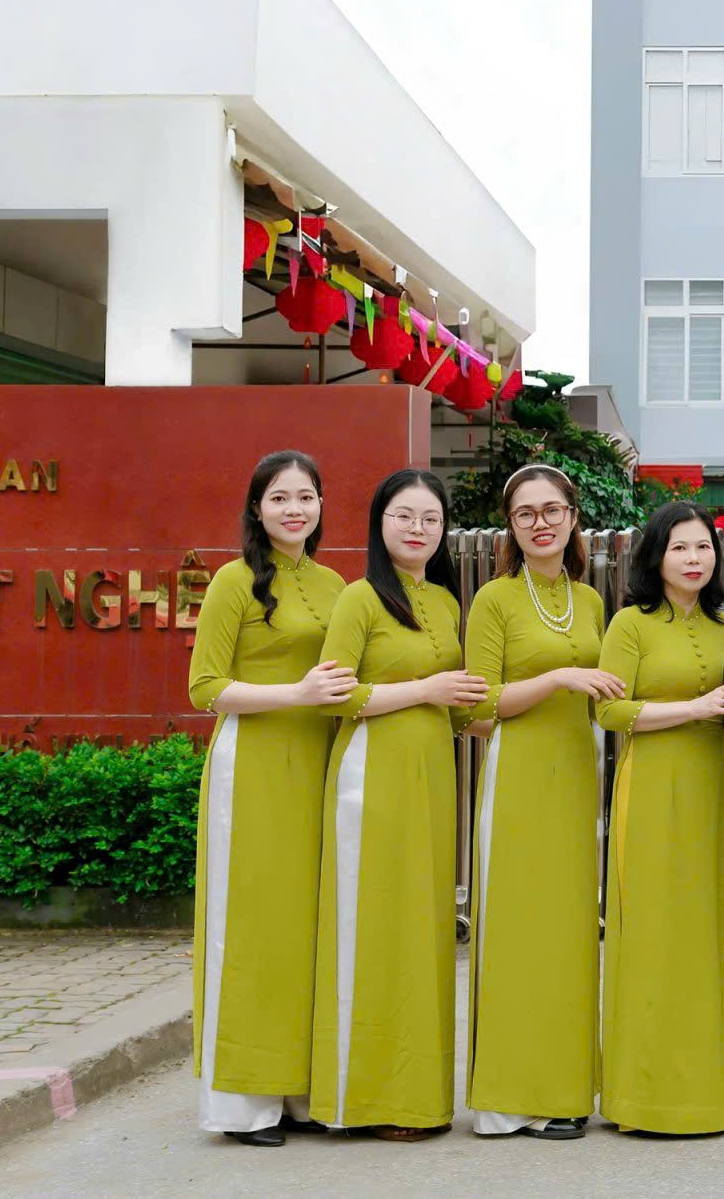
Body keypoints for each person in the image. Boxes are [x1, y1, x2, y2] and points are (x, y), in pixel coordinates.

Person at [310, 469, 486, 1141]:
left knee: (422, 933)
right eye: (404, 515)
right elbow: (336, 695)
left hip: (432, 779)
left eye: (430, 519)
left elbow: (463, 705)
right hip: (371, 779)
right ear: (379, 522)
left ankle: (418, 1097)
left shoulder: (444, 601)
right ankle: (366, 1097)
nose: (418, 528)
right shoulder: (359, 599)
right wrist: (424, 690)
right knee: (373, 927)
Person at [186, 451, 352, 1146]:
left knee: (310, 925)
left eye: (305, 497)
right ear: (257, 508)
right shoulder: (233, 581)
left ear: (320, 506)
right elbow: (204, 687)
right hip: (253, 767)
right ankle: (246, 1100)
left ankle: (301, 1090)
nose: (294, 509)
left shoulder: (335, 583)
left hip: (320, 766)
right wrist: (297, 693)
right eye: (280, 497)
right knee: (254, 926)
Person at [460, 465, 618, 1140]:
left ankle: (565, 1089)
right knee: (517, 929)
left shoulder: (589, 601)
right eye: (525, 513)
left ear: (574, 517)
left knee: (571, 933)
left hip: (578, 774)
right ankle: (511, 1099)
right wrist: (557, 677)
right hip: (519, 774)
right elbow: (477, 706)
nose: (541, 523)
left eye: (553, 510)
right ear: (511, 526)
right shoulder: (493, 600)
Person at [596, 502, 724, 1136]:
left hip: (711, 788)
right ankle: (645, 1097)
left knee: (710, 931)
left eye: (704, 547)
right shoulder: (630, 624)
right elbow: (609, 713)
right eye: (680, 548)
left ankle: (714, 1095)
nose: (694, 559)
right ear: (656, 557)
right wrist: (696, 709)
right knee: (654, 932)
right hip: (652, 786)